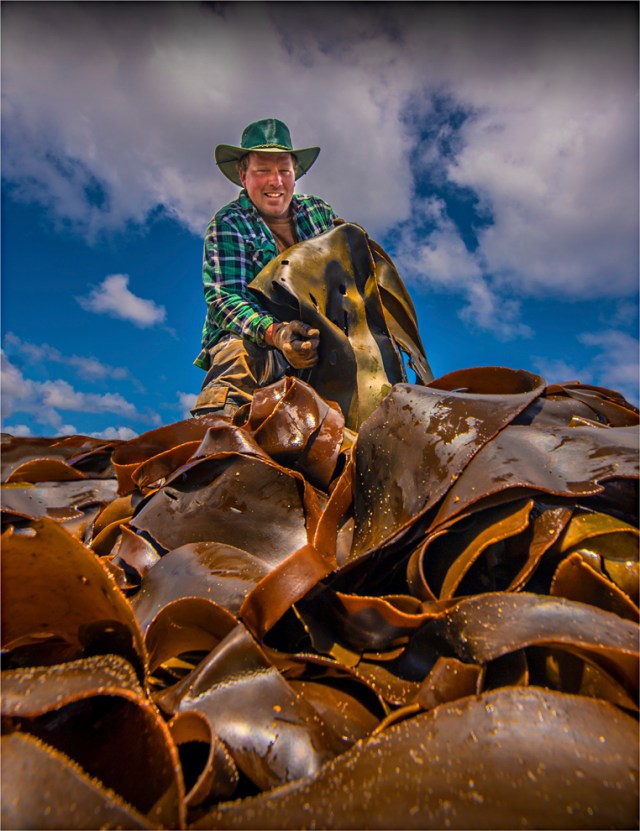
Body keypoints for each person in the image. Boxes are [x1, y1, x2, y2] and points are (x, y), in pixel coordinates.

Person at [192, 118, 339, 418]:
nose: (276, 182)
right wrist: (278, 334)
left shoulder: (318, 212)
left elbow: (345, 269)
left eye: (284, 170)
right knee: (239, 356)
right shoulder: (228, 224)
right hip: (258, 338)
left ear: (294, 174)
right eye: (263, 171)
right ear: (243, 175)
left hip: (317, 338)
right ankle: (215, 438)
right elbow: (224, 300)